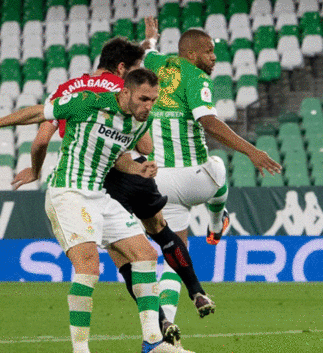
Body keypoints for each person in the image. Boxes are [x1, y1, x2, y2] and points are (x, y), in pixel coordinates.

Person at [0, 68, 197, 353]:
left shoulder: (140, 121)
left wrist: (139, 169)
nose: (148, 106)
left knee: (145, 254)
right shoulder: (88, 102)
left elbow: (117, 157)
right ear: (125, 92)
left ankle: (153, 340)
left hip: (98, 196)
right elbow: (37, 113)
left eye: (153, 100)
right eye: (144, 99)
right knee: (88, 266)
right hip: (68, 193)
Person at [111, 28, 281, 331]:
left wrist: (151, 37)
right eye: (209, 51)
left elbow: (146, 51)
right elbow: (209, 122)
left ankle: (166, 324)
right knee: (218, 166)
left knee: (176, 253)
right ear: (191, 54)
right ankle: (216, 224)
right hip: (193, 178)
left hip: (159, 182)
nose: (214, 58)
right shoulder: (198, 78)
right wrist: (252, 151)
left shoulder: (157, 64)